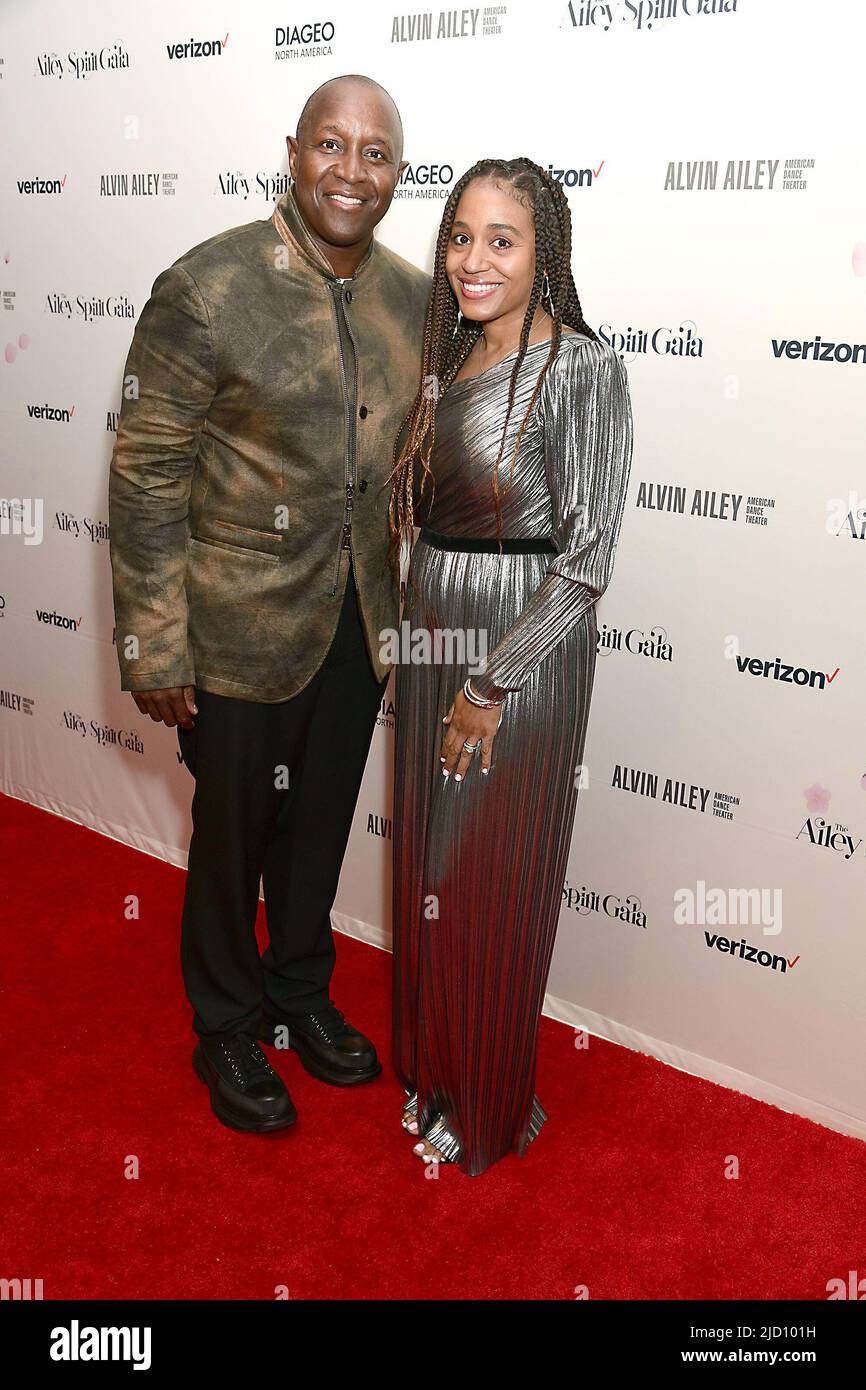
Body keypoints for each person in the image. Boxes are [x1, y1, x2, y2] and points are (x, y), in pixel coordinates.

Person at [108, 75, 431, 1133]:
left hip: (354, 621)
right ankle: (228, 1026)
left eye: (374, 152)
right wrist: (153, 638)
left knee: (320, 824)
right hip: (234, 628)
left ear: (396, 171)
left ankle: (298, 991)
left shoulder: (411, 298)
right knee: (233, 835)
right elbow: (148, 470)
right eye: (331, 145)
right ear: (292, 152)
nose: (351, 170)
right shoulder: (206, 286)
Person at [387, 157, 634, 1175]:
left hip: (517, 646)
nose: (473, 260)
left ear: (546, 254)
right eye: (459, 236)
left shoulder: (583, 368)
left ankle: (487, 1108)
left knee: (479, 872)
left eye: (502, 240)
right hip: (435, 614)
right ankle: (438, 1073)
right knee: (425, 870)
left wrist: (490, 683)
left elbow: (585, 560)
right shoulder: (443, 360)